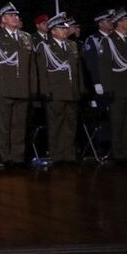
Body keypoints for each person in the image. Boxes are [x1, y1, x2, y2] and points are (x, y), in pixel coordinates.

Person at [0, 2, 36, 168]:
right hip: (4, 88)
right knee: (5, 126)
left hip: (23, 88)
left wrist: (33, 88)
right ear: (3, 19)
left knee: (20, 125)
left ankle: (18, 157)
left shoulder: (26, 37)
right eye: (11, 15)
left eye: (16, 15)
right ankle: (6, 157)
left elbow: (32, 66)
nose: (15, 18)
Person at [35, 12, 82, 165]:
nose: (65, 30)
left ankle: (69, 155)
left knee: (70, 124)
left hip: (71, 91)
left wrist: (80, 88)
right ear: (53, 31)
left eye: (66, 28)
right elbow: (42, 71)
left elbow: (77, 70)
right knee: (56, 125)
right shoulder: (45, 46)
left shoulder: (72, 45)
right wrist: (45, 91)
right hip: (55, 91)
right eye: (62, 28)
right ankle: (57, 155)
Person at [100, 8, 127, 163]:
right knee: (118, 124)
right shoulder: (108, 41)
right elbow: (104, 67)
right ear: (119, 22)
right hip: (117, 89)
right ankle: (119, 155)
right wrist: (108, 89)